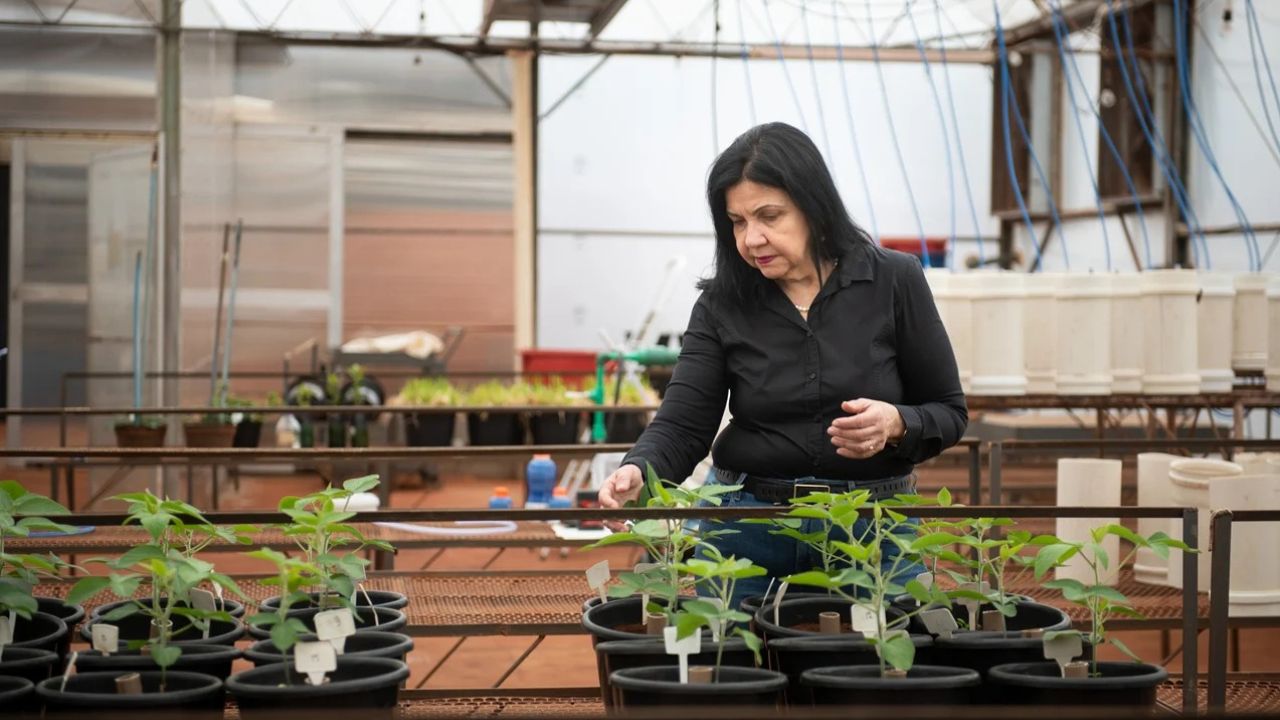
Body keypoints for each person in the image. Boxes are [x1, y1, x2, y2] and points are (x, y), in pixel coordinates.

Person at [597, 122, 968, 608]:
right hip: (749, 524)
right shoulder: (722, 304)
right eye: (737, 221)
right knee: (739, 667)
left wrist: (898, 423)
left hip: (870, 524)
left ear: (813, 206)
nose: (752, 238)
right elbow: (685, 425)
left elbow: (948, 410)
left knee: (880, 669)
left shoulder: (893, 281)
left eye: (769, 216)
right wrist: (638, 470)